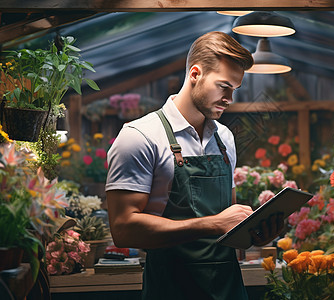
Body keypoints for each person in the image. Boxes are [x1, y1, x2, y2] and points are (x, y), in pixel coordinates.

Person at [106, 31, 283, 300]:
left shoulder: (224, 138)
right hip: (171, 289)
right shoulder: (139, 137)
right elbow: (123, 228)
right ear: (195, 74)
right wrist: (212, 224)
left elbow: (227, 222)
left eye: (234, 90)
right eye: (224, 86)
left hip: (228, 288)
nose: (229, 99)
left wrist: (257, 234)